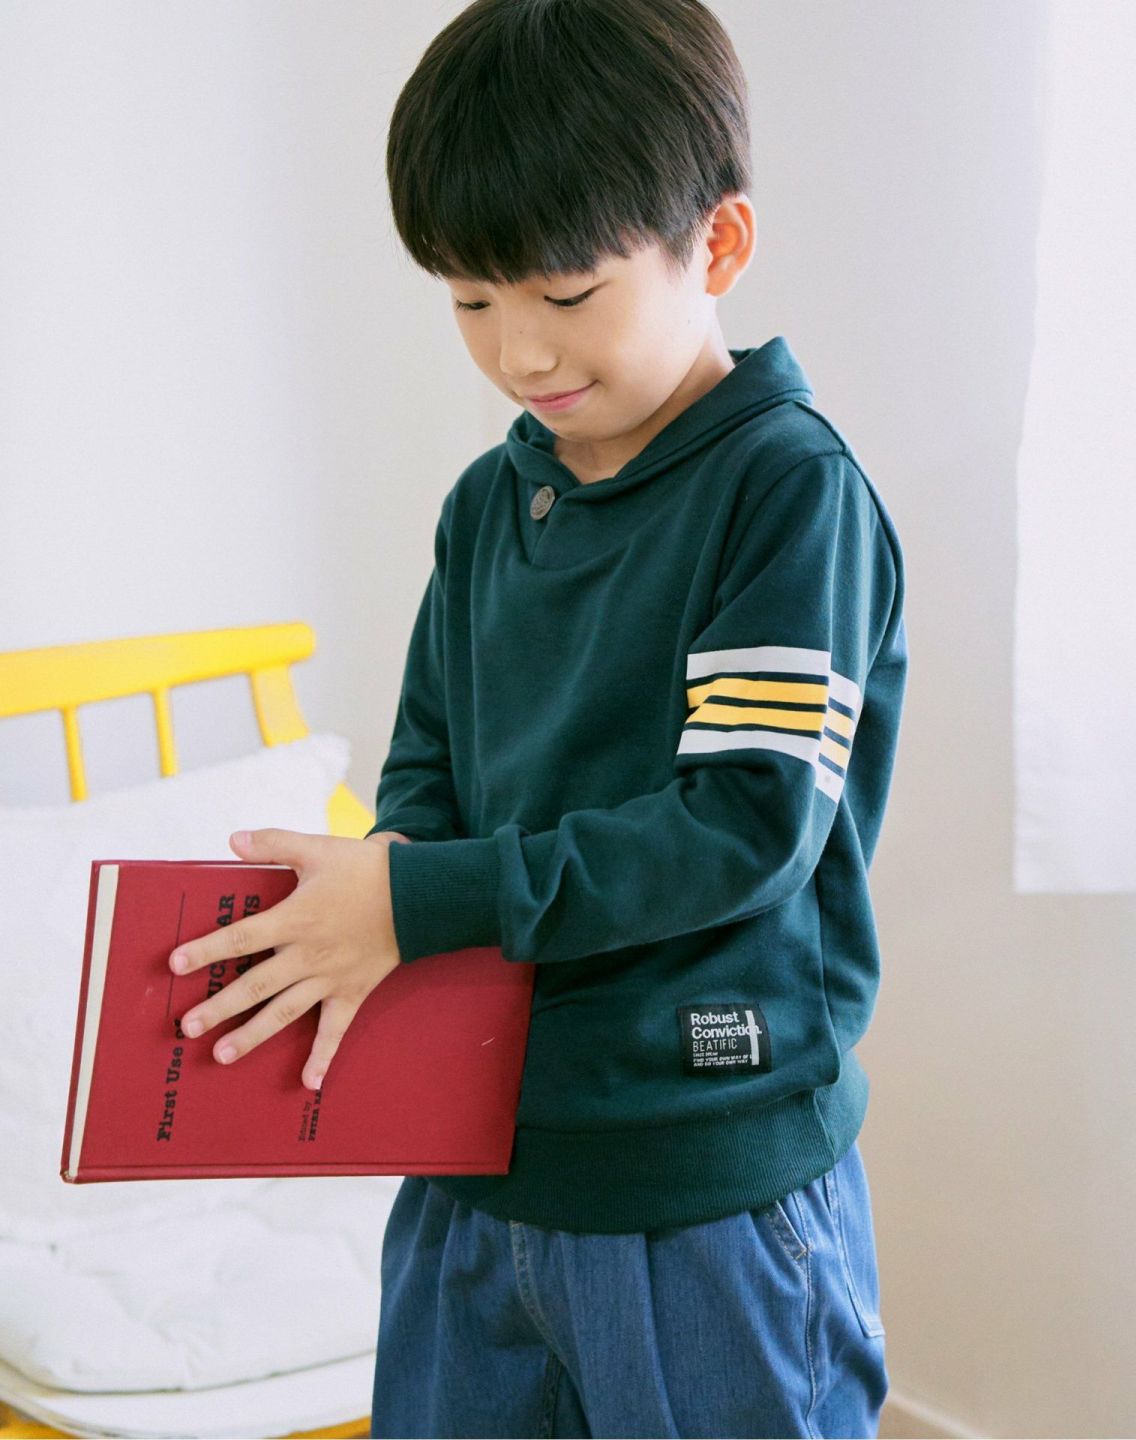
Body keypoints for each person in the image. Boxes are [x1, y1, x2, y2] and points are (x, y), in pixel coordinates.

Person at [166, 1, 908, 1435]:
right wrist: (385, 881)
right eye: (470, 301)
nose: (518, 353)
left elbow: (743, 828)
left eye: (567, 296)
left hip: (698, 1179)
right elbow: (429, 763)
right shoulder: (489, 504)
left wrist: (421, 899)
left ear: (719, 246)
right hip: (469, 1161)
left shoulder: (786, 490)